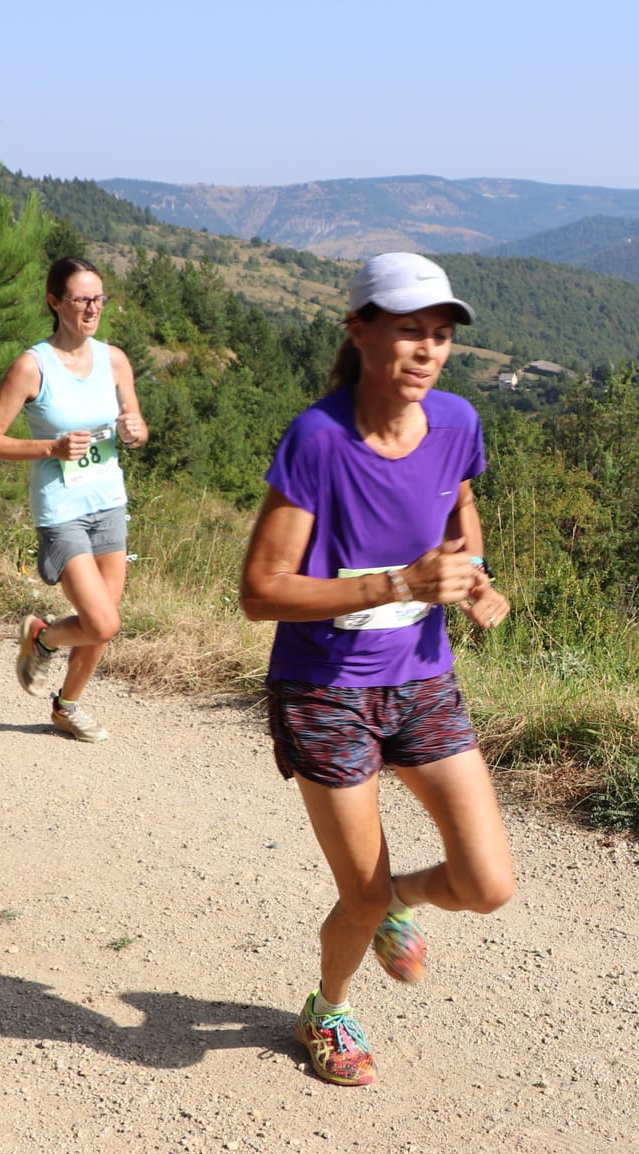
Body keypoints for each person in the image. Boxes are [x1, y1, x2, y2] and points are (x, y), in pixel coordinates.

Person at [239, 252, 515, 1088]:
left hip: (422, 678)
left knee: (487, 882)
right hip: (325, 690)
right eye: (408, 331)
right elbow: (260, 591)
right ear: (359, 332)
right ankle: (328, 1008)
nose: (427, 350)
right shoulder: (318, 439)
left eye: (439, 335)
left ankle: (399, 898)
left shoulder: (459, 422)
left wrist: (471, 578)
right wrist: (399, 582)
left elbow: (458, 516)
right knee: (355, 899)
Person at [0, 256, 148, 742]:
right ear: (55, 302)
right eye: (81, 299)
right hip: (62, 508)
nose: (93, 308)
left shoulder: (114, 360)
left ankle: (67, 706)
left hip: (108, 500)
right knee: (102, 621)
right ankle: (42, 637)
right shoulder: (33, 366)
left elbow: (134, 426)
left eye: (99, 299)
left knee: (101, 627)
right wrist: (50, 447)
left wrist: (135, 430)